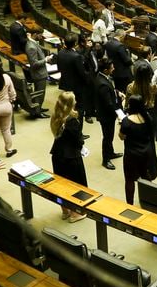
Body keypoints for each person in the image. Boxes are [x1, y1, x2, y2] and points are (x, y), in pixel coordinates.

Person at [49, 92, 87, 222]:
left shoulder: (56, 116)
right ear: (71, 104)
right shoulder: (72, 120)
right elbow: (78, 140)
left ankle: (65, 210)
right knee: (76, 184)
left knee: (62, 183)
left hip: (57, 154)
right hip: (71, 156)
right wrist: (82, 144)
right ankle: (75, 214)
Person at [119, 94, 157, 205]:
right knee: (146, 177)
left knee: (130, 180)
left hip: (131, 155)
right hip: (146, 153)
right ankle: (149, 201)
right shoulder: (148, 118)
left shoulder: (126, 121)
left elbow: (121, 137)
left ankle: (130, 204)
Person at [53, 34, 93, 123]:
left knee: (68, 105)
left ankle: (67, 122)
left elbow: (59, 68)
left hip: (66, 83)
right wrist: (89, 75)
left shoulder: (61, 52)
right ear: (75, 43)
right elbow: (82, 73)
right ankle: (78, 130)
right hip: (77, 85)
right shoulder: (76, 56)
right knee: (80, 107)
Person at [92, 57, 122, 170]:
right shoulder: (102, 84)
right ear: (105, 70)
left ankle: (111, 152)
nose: (113, 68)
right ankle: (106, 160)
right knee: (107, 137)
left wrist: (117, 93)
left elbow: (111, 91)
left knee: (110, 135)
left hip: (107, 114)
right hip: (106, 116)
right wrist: (119, 113)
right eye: (111, 67)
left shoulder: (102, 77)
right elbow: (108, 104)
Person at [23, 28, 49, 118]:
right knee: (39, 93)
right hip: (39, 73)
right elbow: (34, 64)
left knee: (39, 92)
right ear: (35, 34)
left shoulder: (32, 42)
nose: (41, 37)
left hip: (40, 73)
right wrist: (45, 60)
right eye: (40, 35)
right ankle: (37, 112)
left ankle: (38, 108)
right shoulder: (31, 46)